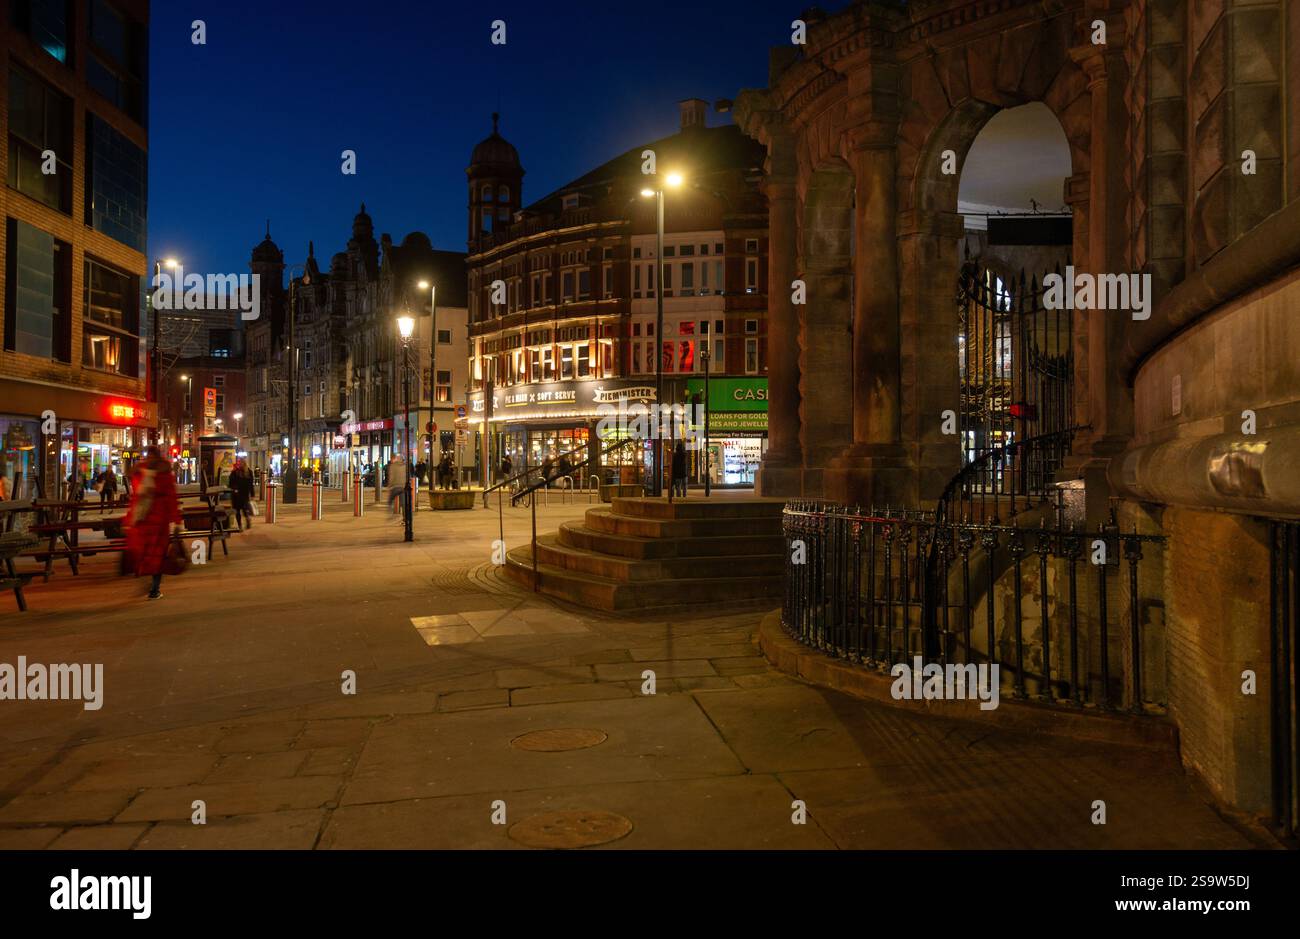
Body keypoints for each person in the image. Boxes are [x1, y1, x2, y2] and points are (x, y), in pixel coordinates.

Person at [125, 445, 182, 600]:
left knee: (143, 552)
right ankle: (155, 588)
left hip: (142, 519)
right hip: (159, 520)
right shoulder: (165, 475)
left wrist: (130, 518)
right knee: (158, 554)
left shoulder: (139, 474)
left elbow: (136, 497)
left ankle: (145, 578)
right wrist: (177, 520)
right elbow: (171, 498)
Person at [229, 458, 255, 530]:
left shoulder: (236, 472)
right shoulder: (248, 472)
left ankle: (241, 525)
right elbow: (250, 485)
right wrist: (252, 494)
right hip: (242, 495)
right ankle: (244, 521)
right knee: (242, 509)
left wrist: (234, 489)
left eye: (240, 463)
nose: (239, 464)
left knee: (239, 510)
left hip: (238, 495)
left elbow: (231, 483)